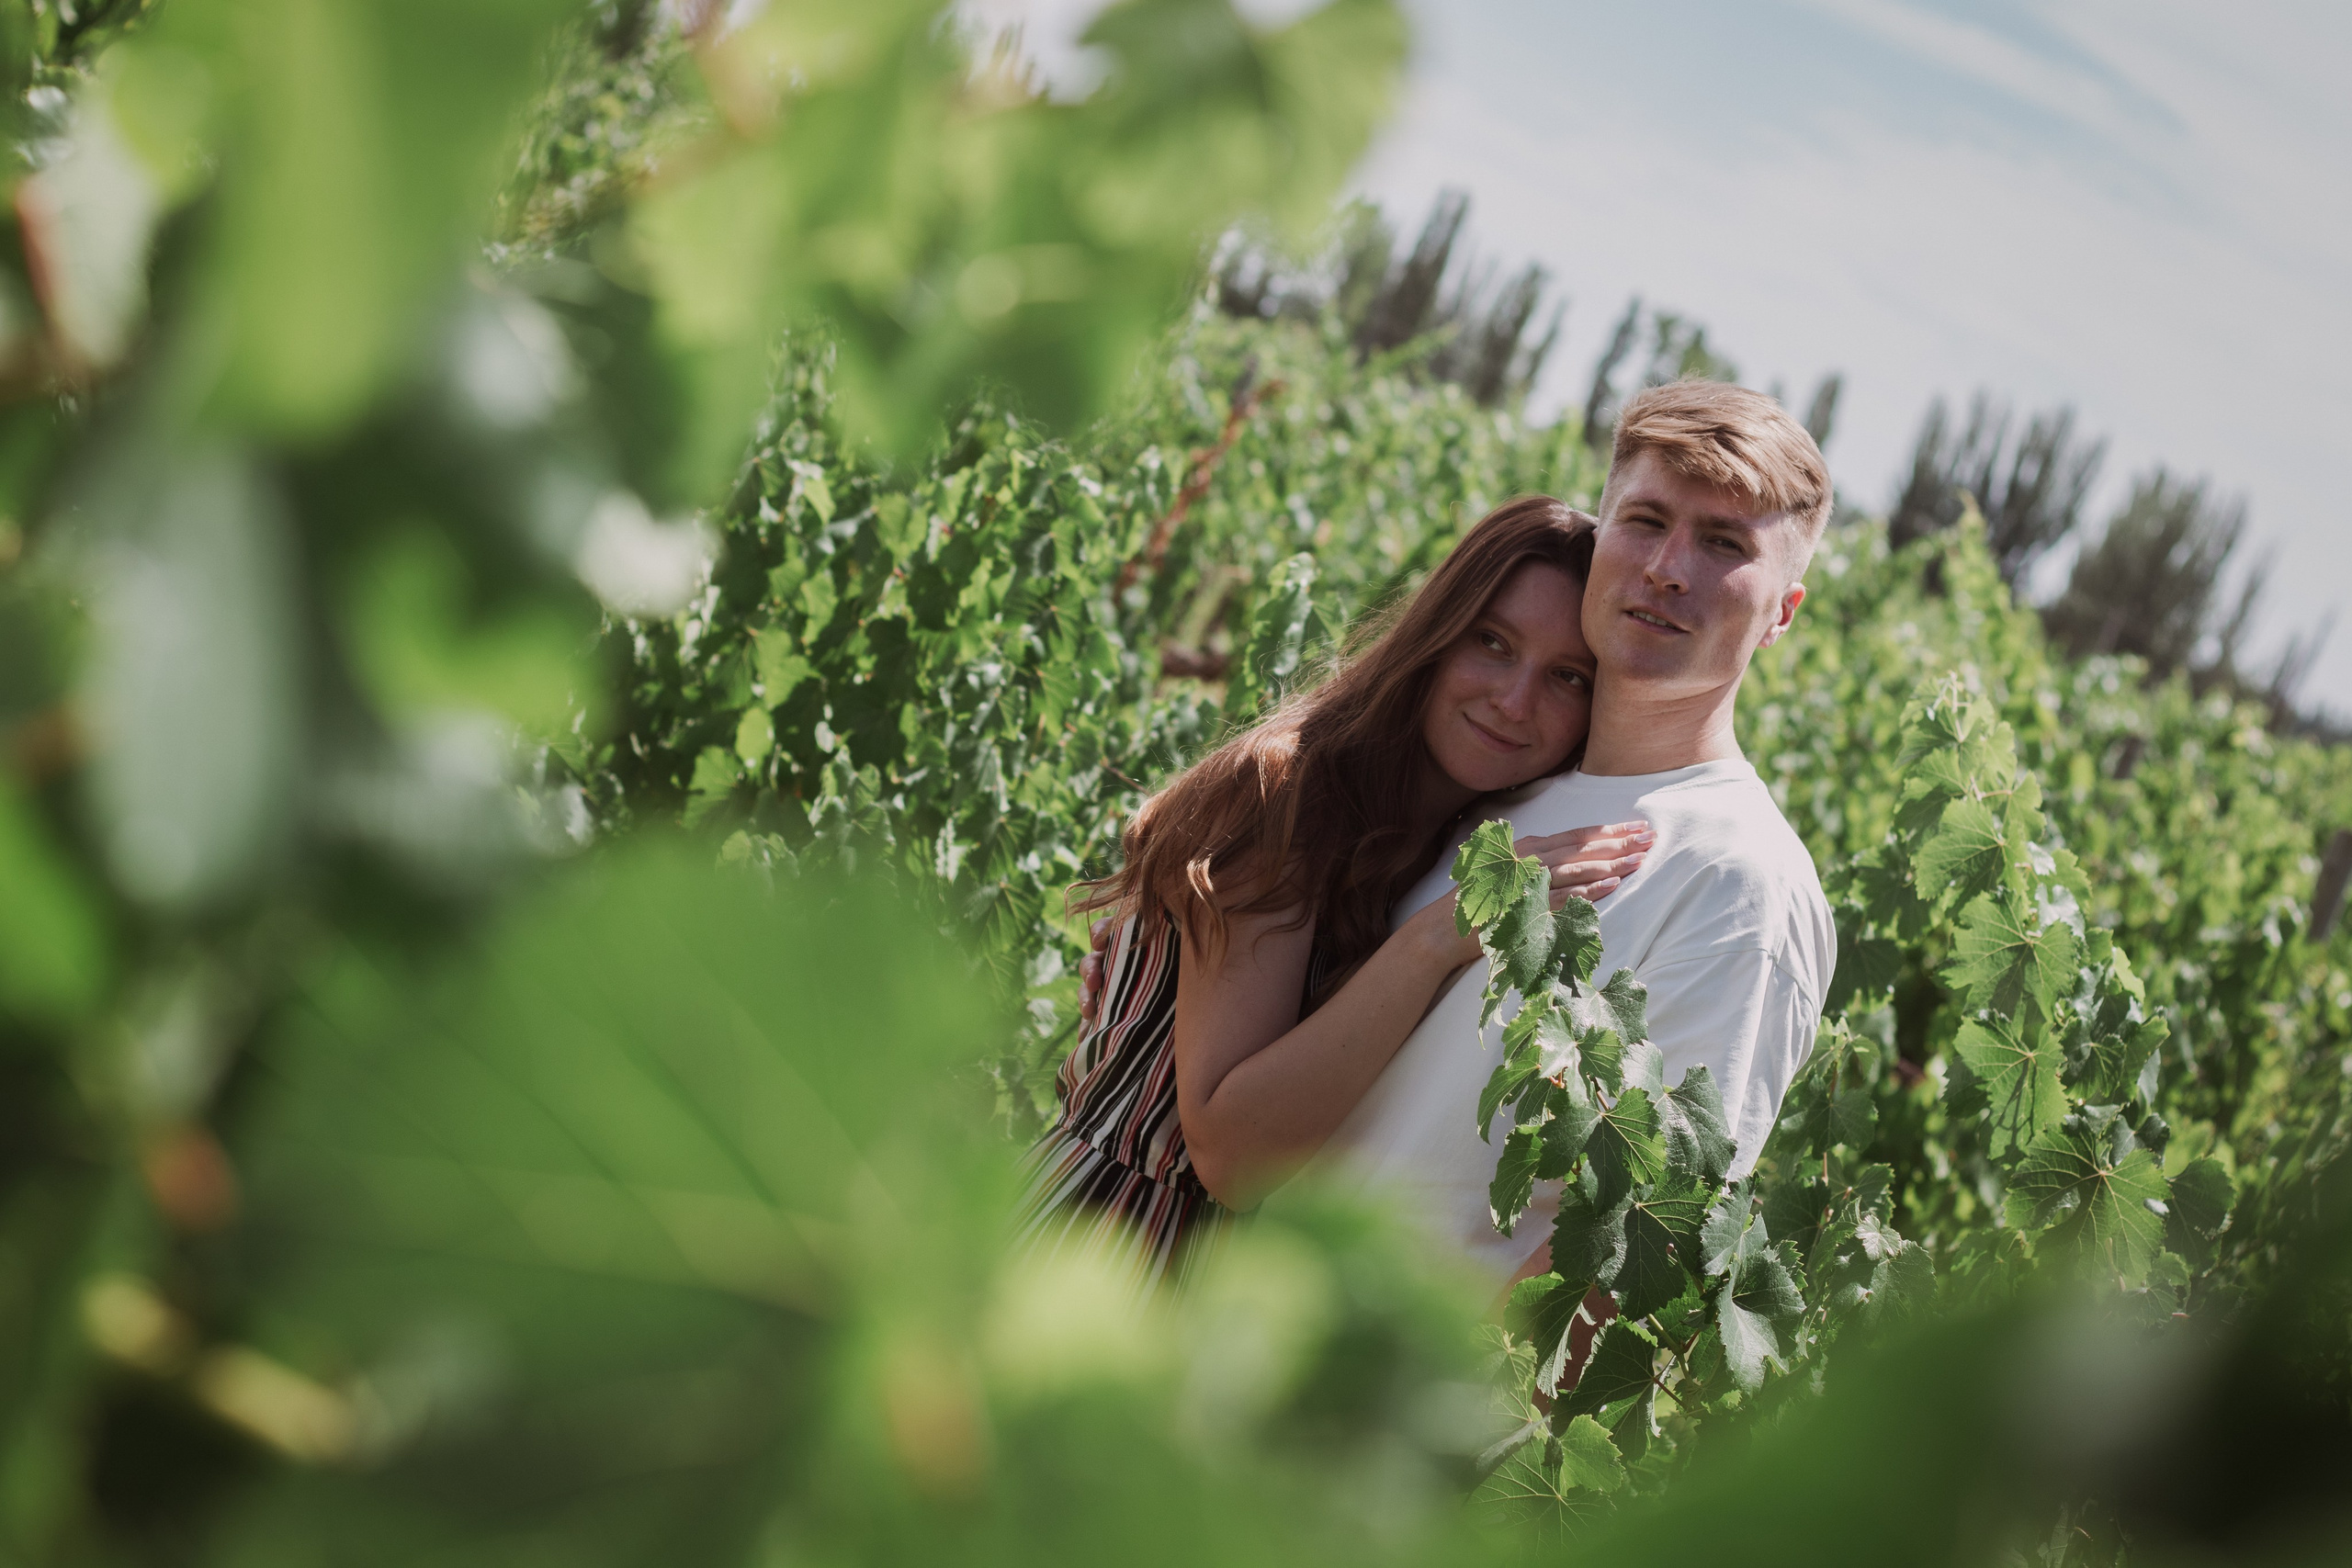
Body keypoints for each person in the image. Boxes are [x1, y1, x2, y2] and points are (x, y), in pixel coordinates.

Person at [1019, 499, 1654, 1289]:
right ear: (1437, 632)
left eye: (1567, 678)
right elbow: (1228, 1155)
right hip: (1100, 1252)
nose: (1515, 701)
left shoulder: (1435, 834)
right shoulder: (1290, 792)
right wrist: (1431, 941)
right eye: (1492, 642)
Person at [1310, 378, 1838, 1287]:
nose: (1669, 567)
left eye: (1722, 544)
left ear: (1781, 614)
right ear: (1598, 541)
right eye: (1645, 521)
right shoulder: (1502, 782)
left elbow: (1635, 1246)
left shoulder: (1741, 882)